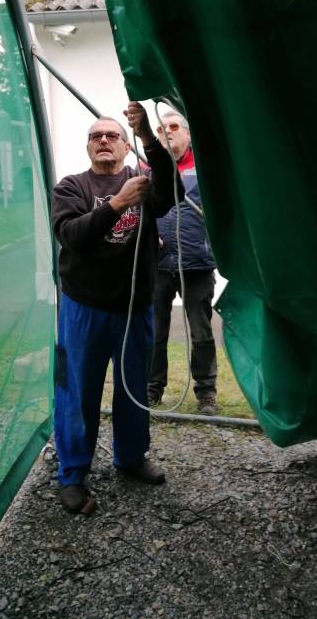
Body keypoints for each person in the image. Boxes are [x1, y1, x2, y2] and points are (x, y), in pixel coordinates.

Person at [51, 101, 181, 513]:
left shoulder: (142, 181)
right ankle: (72, 474)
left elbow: (172, 191)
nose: (104, 140)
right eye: (96, 136)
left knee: (132, 390)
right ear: (88, 147)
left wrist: (147, 135)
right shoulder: (71, 187)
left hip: (134, 308)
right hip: (84, 308)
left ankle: (130, 457)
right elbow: (72, 236)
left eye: (112, 136)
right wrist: (117, 204)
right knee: (78, 392)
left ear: (126, 147)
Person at [147, 111, 218, 415]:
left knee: (201, 332)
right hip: (158, 266)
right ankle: (152, 391)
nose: (168, 132)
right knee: (155, 332)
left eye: (174, 127)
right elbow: (137, 212)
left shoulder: (207, 170)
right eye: (162, 129)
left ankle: (206, 393)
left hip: (197, 265)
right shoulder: (145, 167)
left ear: (188, 134)